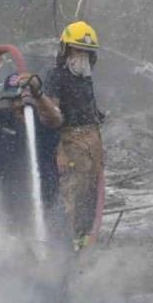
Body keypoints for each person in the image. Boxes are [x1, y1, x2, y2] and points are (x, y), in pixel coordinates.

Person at [0, 45, 63, 227]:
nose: (19, 104)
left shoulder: (44, 122)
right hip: (10, 208)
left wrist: (38, 93)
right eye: (13, 100)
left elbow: (55, 117)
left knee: (60, 250)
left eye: (23, 99)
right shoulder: (0, 122)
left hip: (48, 207)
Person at [43, 21, 104, 250]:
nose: (83, 56)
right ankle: (64, 242)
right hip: (69, 140)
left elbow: (85, 104)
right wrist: (59, 150)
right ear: (66, 50)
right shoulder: (56, 76)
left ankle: (84, 236)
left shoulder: (84, 77)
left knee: (90, 188)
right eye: (78, 50)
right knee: (72, 189)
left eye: (87, 52)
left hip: (91, 137)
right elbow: (52, 116)